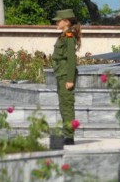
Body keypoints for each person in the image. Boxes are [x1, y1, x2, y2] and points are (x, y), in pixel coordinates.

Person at [52, 9, 81, 145]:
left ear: (67, 21)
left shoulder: (69, 36)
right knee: (63, 105)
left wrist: (70, 79)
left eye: (59, 20)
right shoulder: (63, 36)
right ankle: (66, 134)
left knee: (67, 105)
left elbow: (71, 59)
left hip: (65, 75)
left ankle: (69, 137)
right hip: (61, 74)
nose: (57, 22)